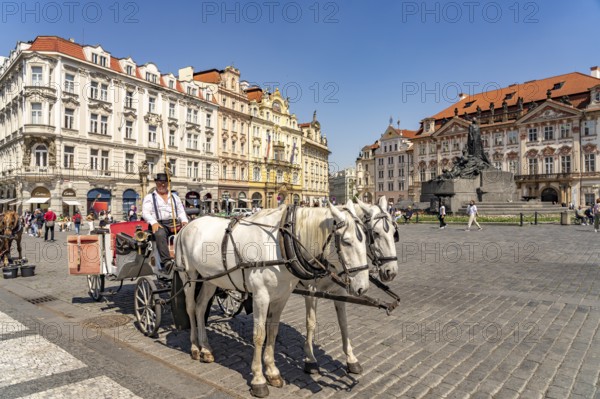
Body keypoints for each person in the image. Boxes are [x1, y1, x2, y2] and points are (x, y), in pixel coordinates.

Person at [142, 173, 189, 273]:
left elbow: (181, 211)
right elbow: (145, 213)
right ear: (156, 183)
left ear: (168, 184)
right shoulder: (150, 197)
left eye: (165, 183)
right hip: (159, 224)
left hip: (174, 223)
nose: (162, 185)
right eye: (160, 183)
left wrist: (184, 221)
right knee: (160, 233)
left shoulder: (175, 197)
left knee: (189, 232)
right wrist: (153, 222)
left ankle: (189, 257)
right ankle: (166, 262)